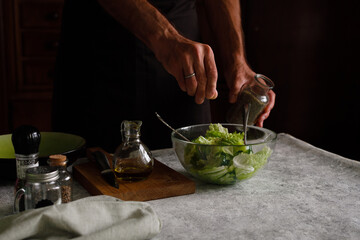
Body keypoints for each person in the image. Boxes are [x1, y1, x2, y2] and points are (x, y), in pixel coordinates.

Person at [52, 0, 275, 152]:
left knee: (196, 175)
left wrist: (237, 60)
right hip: (99, 52)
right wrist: (165, 38)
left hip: (184, 60)